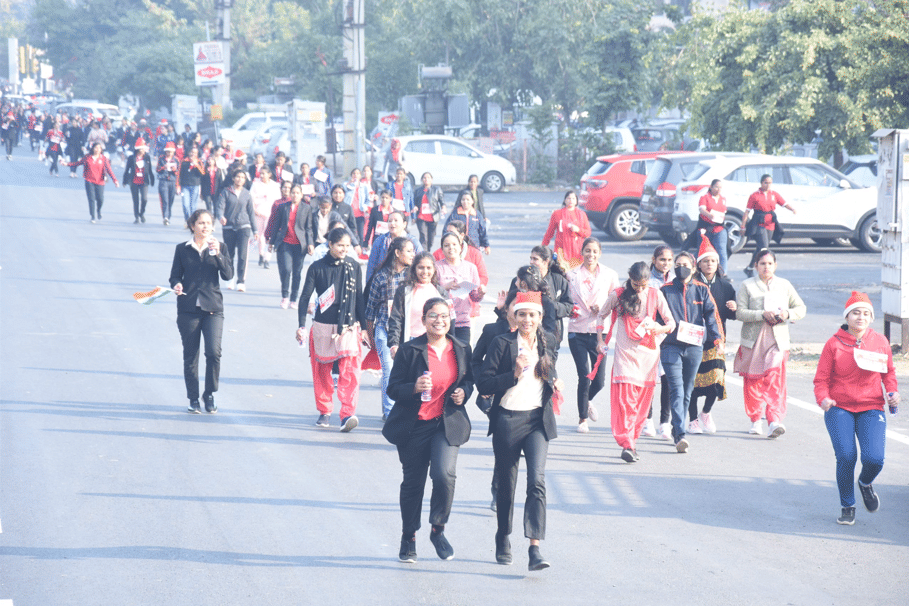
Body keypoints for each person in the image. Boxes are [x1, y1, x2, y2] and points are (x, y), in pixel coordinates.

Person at [383, 297, 475, 563]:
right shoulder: (411, 350)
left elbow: (468, 380)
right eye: (433, 316)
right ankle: (408, 537)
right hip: (414, 426)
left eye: (445, 316)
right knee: (413, 484)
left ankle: (438, 528)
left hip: (445, 424)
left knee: (444, 475)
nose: (440, 320)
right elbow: (393, 388)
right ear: (423, 320)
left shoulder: (460, 348)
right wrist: (414, 387)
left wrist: (463, 392)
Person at [478, 291, 562, 571]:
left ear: (540, 318)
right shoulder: (502, 343)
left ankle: (534, 548)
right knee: (507, 485)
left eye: (533, 315)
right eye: (522, 314)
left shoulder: (548, 341)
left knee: (537, 482)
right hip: (508, 420)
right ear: (514, 316)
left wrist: (555, 380)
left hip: (537, 421)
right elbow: (485, 384)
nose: (527, 319)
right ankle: (503, 536)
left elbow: (549, 372)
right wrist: (513, 373)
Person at [814, 292, 899, 526]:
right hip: (839, 407)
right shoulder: (834, 343)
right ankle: (847, 505)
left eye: (865, 313)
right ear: (847, 316)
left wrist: (892, 393)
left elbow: (888, 373)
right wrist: (823, 398)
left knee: (875, 459)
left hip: (871, 406)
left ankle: (865, 483)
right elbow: (820, 380)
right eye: (855, 313)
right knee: (846, 456)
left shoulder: (880, 341)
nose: (860, 317)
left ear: (871, 317)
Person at [597, 262, 675, 462]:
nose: (639, 288)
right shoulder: (618, 294)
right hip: (625, 355)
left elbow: (671, 323)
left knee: (641, 404)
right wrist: (599, 340)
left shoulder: (656, 294)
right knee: (626, 402)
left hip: (648, 356)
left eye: (643, 285)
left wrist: (659, 329)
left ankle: (632, 441)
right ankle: (627, 443)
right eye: (636, 284)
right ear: (629, 279)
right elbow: (601, 315)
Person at [296, 227, 365, 432]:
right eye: (340, 246)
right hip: (323, 324)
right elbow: (305, 297)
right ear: (330, 245)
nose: (345, 249)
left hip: (349, 325)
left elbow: (359, 298)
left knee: (350, 371)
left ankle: (347, 414)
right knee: (322, 371)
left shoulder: (354, 266)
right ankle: (325, 410)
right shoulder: (317, 268)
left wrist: (365, 328)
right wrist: (301, 325)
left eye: (347, 246)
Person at [734, 249, 806, 437]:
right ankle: (755, 419)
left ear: (775, 265)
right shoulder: (747, 285)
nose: (766, 267)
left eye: (770, 263)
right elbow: (740, 312)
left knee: (775, 379)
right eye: (762, 264)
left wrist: (787, 314)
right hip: (754, 341)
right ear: (756, 265)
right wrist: (760, 314)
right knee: (753, 381)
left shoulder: (784, 285)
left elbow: (800, 308)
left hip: (777, 341)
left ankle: (774, 420)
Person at [168, 209, 233, 414]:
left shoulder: (220, 247)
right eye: (201, 223)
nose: (205, 227)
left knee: (214, 353)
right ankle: (193, 398)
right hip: (188, 309)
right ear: (192, 226)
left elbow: (228, 275)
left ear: (213, 227)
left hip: (213, 308)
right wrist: (177, 285)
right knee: (191, 355)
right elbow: (174, 276)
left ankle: (210, 393)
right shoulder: (182, 249)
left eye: (208, 223)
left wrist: (219, 254)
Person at [659, 251, 723, 453]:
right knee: (677, 390)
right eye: (677, 264)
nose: (680, 268)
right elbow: (657, 317)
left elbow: (711, 316)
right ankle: (680, 435)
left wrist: (717, 339)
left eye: (685, 264)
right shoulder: (665, 290)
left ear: (694, 268)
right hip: (671, 346)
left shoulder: (702, 290)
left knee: (687, 391)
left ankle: (678, 425)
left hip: (695, 347)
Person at [567, 237, 619, 433]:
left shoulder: (609, 274)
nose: (591, 255)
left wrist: (604, 307)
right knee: (583, 375)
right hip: (577, 330)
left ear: (600, 253)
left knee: (599, 380)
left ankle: (586, 400)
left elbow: (617, 301)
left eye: (595, 251)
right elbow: (564, 298)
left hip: (600, 332)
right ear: (582, 252)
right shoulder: (571, 275)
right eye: (587, 251)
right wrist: (570, 308)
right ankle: (582, 419)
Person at [688, 235, 737, 434]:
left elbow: (732, 315)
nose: (710, 264)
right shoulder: (691, 284)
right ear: (698, 264)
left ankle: (706, 412)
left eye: (713, 261)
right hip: (693, 339)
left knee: (717, 379)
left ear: (718, 263)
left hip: (717, 339)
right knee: (692, 381)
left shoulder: (726, 286)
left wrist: (734, 308)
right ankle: (692, 420)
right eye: (706, 261)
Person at [366, 237, 416, 421]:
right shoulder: (380, 277)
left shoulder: (413, 276)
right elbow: (370, 311)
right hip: (384, 329)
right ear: (397, 253)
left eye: (413, 251)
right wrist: (371, 338)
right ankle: (389, 412)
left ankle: (405, 409)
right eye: (409, 251)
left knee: (408, 372)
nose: (413, 255)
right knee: (388, 369)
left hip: (408, 331)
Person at [386, 252, 453, 355]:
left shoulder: (441, 292)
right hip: (410, 343)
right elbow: (395, 319)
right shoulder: (404, 291)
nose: (425, 272)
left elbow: (450, 320)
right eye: (421, 267)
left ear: (434, 269)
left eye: (429, 268)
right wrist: (394, 344)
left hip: (435, 343)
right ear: (414, 269)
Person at [644, 244, 675, 439]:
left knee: (668, 380)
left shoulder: (675, 280)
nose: (666, 263)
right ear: (654, 260)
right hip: (649, 336)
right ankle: (647, 420)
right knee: (649, 380)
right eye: (662, 259)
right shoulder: (645, 280)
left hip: (670, 336)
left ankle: (665, 422)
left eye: (669, 260)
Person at [742, 174, 796, 277]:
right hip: (759, 223)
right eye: (765, 182)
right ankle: (762, 270)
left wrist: (792, 209)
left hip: (770, 223)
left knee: (760, 248)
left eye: (770, 183)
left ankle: (749, 268)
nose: (767, 185)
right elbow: (747, 211)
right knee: (764, 248)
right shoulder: (755, 195)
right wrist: (743, 226)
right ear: (761, 183)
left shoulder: (774, 194)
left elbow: (784, 203)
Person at [268, 184, 312, 309]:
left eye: (298, 193)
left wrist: (310, 243)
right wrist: (271, 242)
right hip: (285, 243)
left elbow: (308, 228)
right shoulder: (283, 207)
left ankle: (293, 299)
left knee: (297, 272)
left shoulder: (306, 208)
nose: (295, 195)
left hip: (299, 244)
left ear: (301, 195)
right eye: (293, 192)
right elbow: (276, 225)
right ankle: (285, 297)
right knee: (286, 270)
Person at [435, 232, 484, 343]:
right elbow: (430, 293)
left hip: (463, 322)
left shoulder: (470, 268)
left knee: (463, 357)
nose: (451, 248)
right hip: (441, 322)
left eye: (454, 244)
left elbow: (475, 297)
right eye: (446, 245)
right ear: (442, 249)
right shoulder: (437, 267)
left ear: (461, 247)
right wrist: (445, 287)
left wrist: (480, 293)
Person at [215, 170, 257, 292]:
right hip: (229, 227)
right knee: (229, 254)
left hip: (244, 227)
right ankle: (230, 279)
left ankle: (241, 281)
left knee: (243, 255)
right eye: (238, 176)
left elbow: (251, 213)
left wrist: (255, 231)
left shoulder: (247, 194)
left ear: (245, 180)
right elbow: (219, 207)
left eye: (242, 177)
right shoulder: (226, 192)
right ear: (233, 178)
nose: (240, 179)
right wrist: (220, 217)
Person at [67, 142, 119, 223]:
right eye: (96, 147)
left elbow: (109, 170)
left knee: (100, 199)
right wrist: (67, 164)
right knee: (91, 199)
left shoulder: (103, 159)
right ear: (92, 148)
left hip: (100, 182)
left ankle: (98, 210)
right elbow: (77, 163)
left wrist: (115, 180)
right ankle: (93, 216)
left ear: (101, 149)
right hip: (89, 181)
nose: (97, 149)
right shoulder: (88, 157)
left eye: (99, 148)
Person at [365, 211, 422, 283]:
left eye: (396, 220)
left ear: (404, 224)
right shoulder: (380, 241)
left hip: (407, 282)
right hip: (384, 283)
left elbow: (420, 263)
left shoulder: (413, 242)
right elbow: (371, 265)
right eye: (389, 221)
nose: (392, 223)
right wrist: (369, 286)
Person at [541, 190, 591, 269]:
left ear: (576, 201)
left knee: (576, 273)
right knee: (561, 272)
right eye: (569, 198)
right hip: (561, 250)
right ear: (565, 200)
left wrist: (578, 230)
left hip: (577, 251)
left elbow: (588, 233)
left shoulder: (582, 214)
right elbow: (549, 232)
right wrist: (543, 247)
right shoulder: (557, 214)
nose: (571, 201)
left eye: (573, 198)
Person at [250, 168, 281, 269]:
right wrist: (254, 210)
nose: (262, 175)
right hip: (258, 213)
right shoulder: (255, 184)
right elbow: (251, 199)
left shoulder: (275, 186)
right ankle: (261, 254)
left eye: (264, 173)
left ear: (269, 174)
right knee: (260, 236)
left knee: (270, 237)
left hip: (271, 214)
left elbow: (278, 201)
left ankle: (267, 259)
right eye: (261, 173)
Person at [123, 137, 155, 223]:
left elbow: (150, 170)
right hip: (134, 181)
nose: (143, 150)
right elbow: (127, 170)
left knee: (144, 199)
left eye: (144, 148)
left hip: (144, 181)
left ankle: (142, 213)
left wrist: (152, 180)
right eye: (141, 148)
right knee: (135, 200)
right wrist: (124, 181)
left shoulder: (147, 157)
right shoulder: (131, 158)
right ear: (137, 149)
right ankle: (136, 216)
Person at [413, 172, 446, 250]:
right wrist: (415, 207)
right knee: (423, 237)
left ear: (431, 179)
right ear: (422, 180)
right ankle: (423, 254)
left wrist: (443, 207)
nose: (426, 179)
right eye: (424, 178)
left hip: (433, 217)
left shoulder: (437, 189)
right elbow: (414, 202)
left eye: (428, 177)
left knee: (431, 239)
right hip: (421, 217)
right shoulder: (418, 190)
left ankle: (428, 250)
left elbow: (441, 200)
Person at [178, 146, 206, 221]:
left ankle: (192, 222)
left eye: (195, 153)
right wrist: (178, 186)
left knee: (193, 206)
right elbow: (179, 174)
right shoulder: (184, 162)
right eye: (191, 152)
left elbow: (203, 173)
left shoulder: (199, 162)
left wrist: (196, 165)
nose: (193, 154)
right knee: (185, 205)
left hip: (195, 186)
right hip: (185, 186)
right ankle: (187, 220)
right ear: (188, 152)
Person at [344, 167, 372, 242]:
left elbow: (367, 200)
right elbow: (342, 193)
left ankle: (360, 250)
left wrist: (365, 207)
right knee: (348, 233)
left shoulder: (364, 186)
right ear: (351, 175)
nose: (355, 175)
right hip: (349, 213)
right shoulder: (346, 185)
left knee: (360, 234)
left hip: (360, 213)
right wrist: (350, 183)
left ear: (360, 175)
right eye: (354, 173)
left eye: (357, 173)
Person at [156, 141, 180, 225]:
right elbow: (157, 169)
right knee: (165, 200)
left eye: (171, 151)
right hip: (163, 181)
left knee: (170, 200)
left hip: (172, 182)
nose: (169, 153)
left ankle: (168, 216)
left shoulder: (176, 160)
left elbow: (178, 173)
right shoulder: (161, 158)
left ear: (173, 152)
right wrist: (164, 167)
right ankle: (165, 217)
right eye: (168, 151)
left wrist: (174, 170)